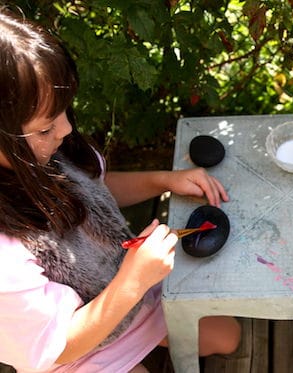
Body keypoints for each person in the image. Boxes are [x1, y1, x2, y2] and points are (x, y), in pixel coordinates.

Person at [0, 7, 240, 373]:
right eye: (46, 127)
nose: (65, 130)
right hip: (76, 342)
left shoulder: (43, 151)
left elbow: (94, 188)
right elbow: (57, 345)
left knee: (227, 336)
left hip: (129, 294)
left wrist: (164, 180)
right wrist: (134, 278)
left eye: (64, 111)